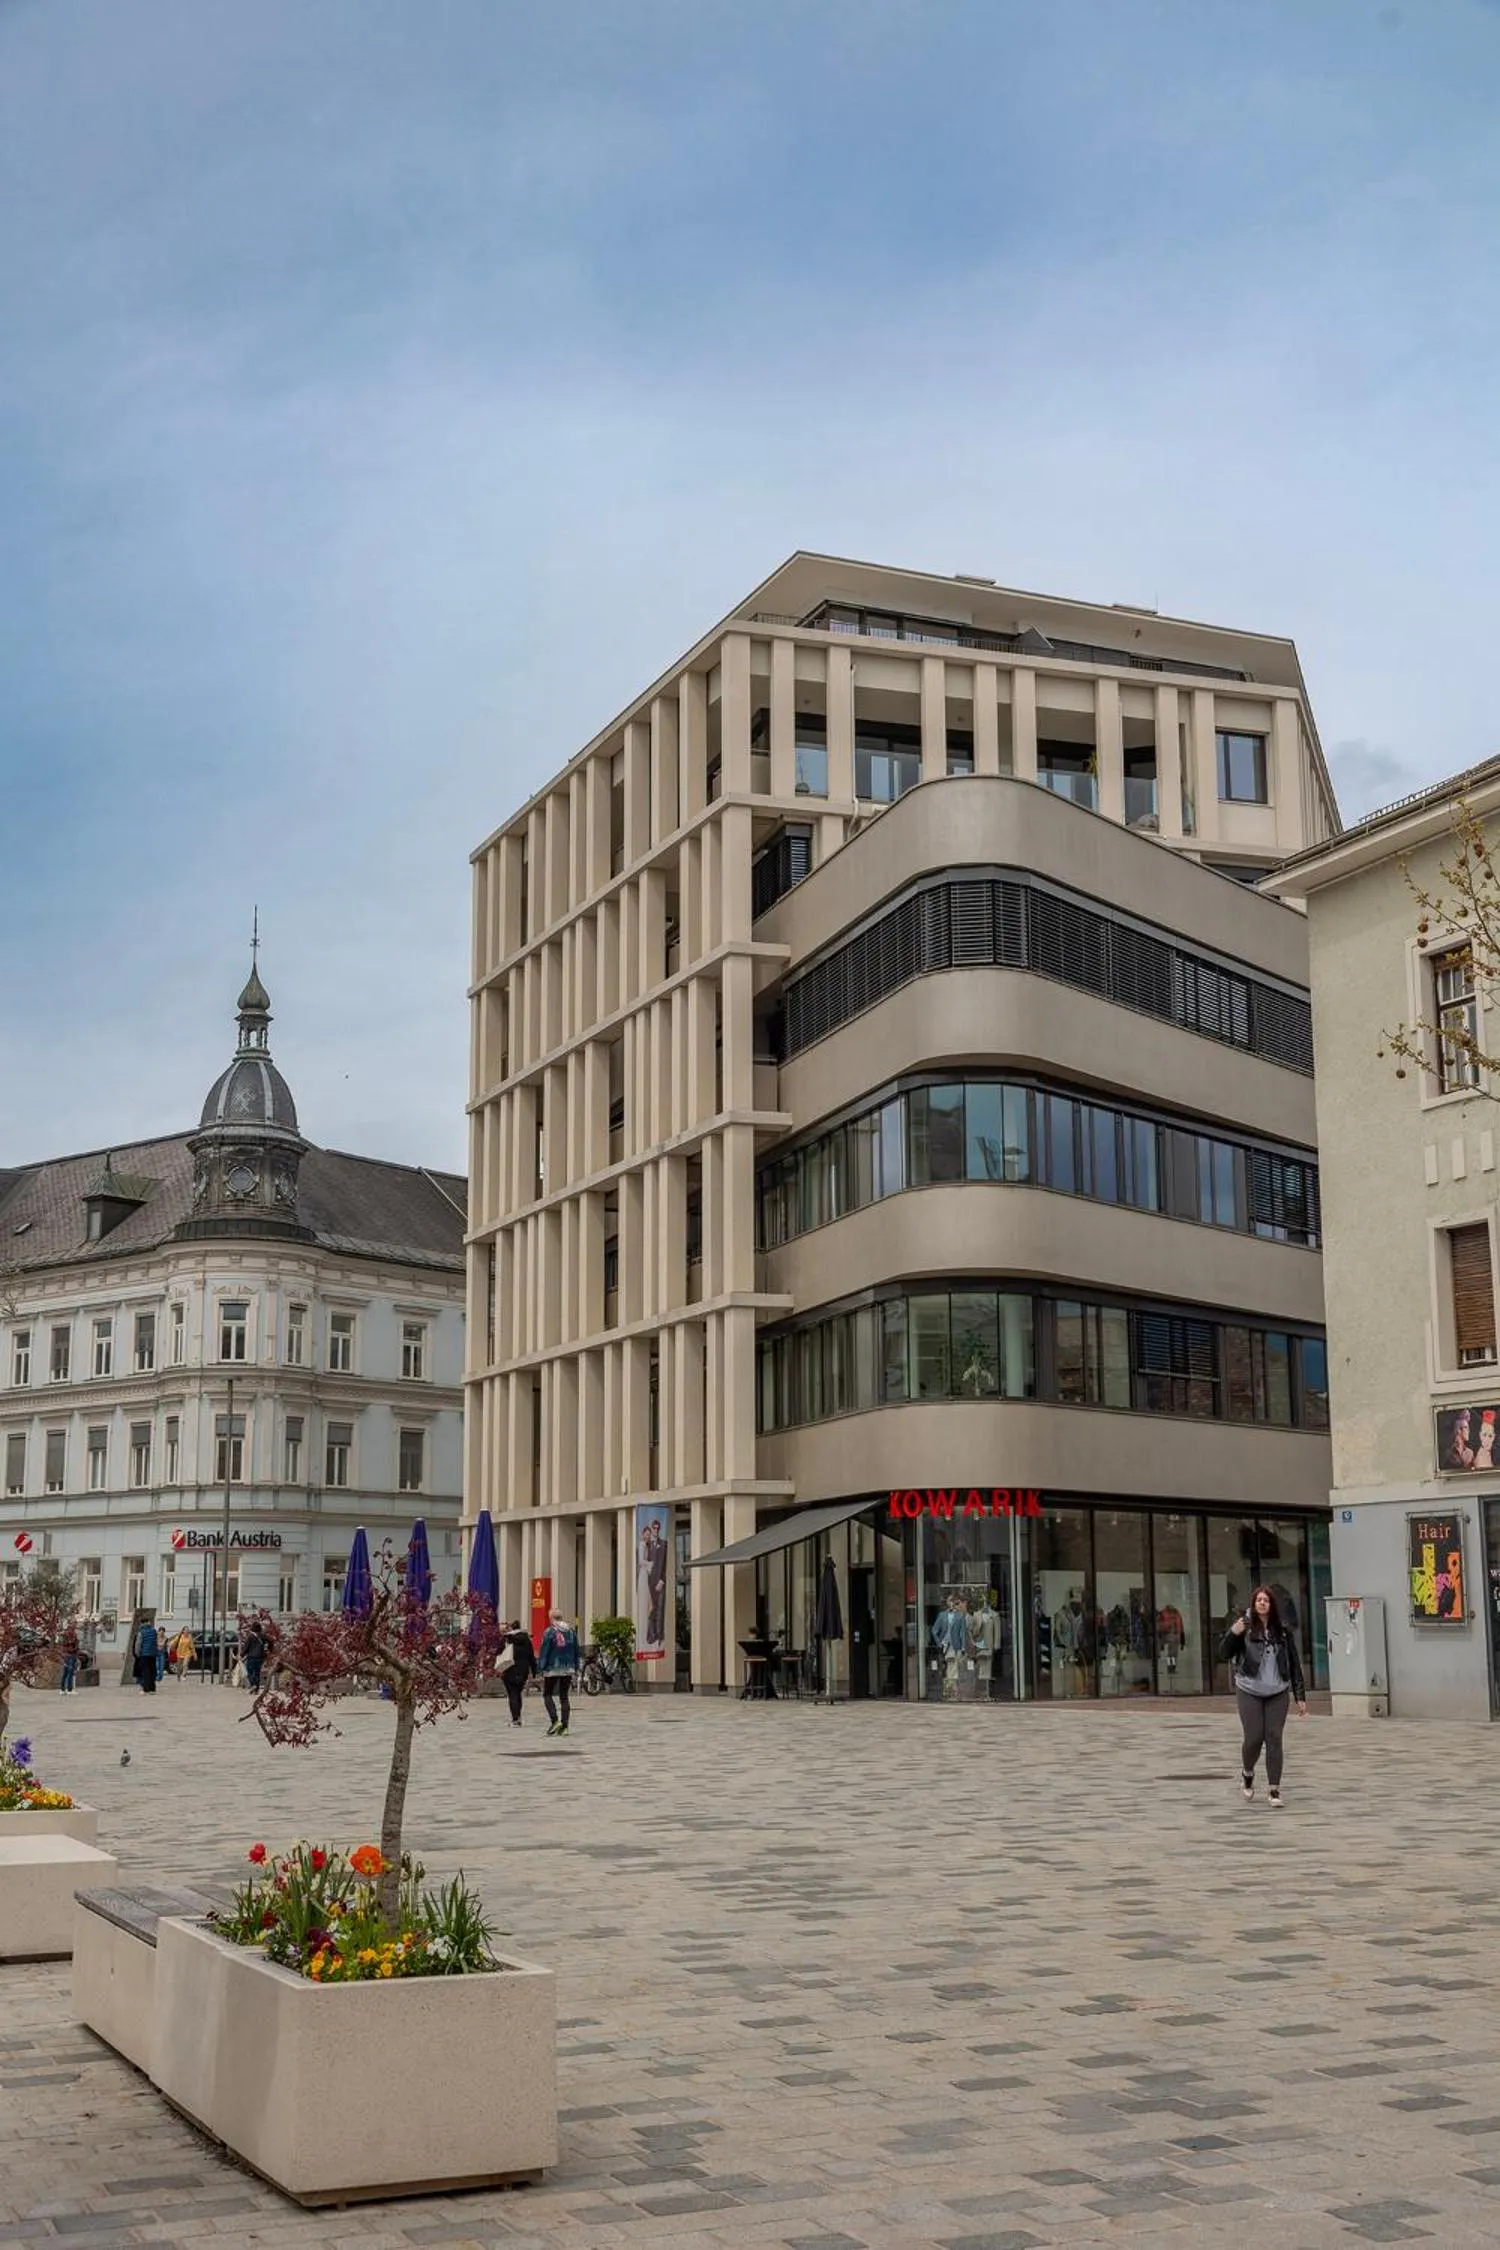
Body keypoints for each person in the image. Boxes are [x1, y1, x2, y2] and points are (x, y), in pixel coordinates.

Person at [1223, 1585, 1307, 1807]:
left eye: (1266, 1600)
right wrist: (1233, 1633)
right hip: (1249, 1689)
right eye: (1258, 1600)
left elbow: (1294, 1663)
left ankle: (1274, 1790)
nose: (1262, 1603)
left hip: (1277, 1691)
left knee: (1274, 1737)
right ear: (1253, 1603)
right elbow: (1223, 1653)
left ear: (1272, 1605)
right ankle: (1247, 1773)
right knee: (1253, 1737)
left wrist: (1300, 1696)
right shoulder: (1246, 1627)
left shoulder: (1283, 1630)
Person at [536, 1608, 580, 1737]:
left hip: (553, 1667)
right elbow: (576, 1649)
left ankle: (555, 1721)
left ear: (551, 1618)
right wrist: (576, 1666)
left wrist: (541, 1667)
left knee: (547, 1694)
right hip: (568, 1667)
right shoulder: (571, 1631)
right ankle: (565, 1726)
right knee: (564, 1696)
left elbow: (545, 1650)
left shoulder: (550, 1632)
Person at [500, 1618, 536, 1727]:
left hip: (509, 1669)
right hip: (523, 1670)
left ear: (510, 1628)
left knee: (512, 1694)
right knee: (518, 1693)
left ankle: (515, 1719)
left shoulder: (507, 1640)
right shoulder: (526, 1640)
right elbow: (531, 1657)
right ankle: (518, 1717)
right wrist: (534, 1671)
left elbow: (499, 1653)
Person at [132, 1616, 159, 1694]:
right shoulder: (154, 1631)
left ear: (142, 1623)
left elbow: (138, 1644)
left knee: (145, 1671)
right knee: (152, 1671)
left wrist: (137, 1654)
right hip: (153, 1654)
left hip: (144, 1654)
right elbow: (155, 1642)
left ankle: (146, 1689)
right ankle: (152, 1689)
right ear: (148, 1622)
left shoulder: (141, 1632)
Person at [241, 1619, 266, 1692]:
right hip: (260, 1657)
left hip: (251, 1657)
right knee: (257, 1672)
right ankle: (256, 1689)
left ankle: (253, 1684)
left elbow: (246, 1647)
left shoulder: (250, 1636)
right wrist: (268, 1649)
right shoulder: (263, 1636)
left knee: (250, 1672)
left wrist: (241, 1655)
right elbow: (271, 1641)